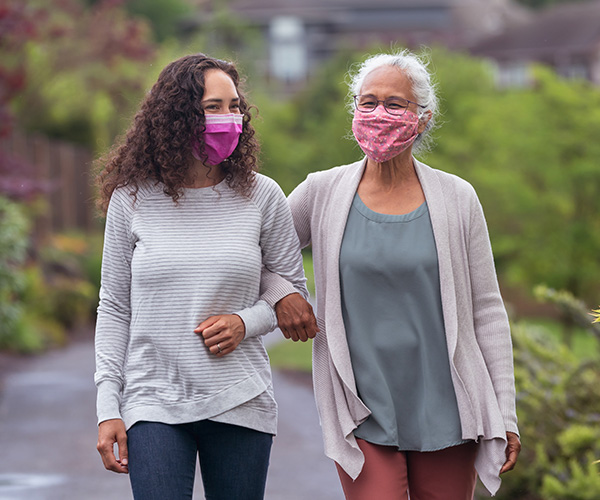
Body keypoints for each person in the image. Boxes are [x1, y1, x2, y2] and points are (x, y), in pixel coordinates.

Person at [268, 50, 521, 499]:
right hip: (362, 407)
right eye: (368, 102)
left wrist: (504, 414)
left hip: (448, 407)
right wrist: (283, 294)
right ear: (353, 112)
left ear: (422, 119)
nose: (379, 114)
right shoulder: (322, 192)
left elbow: (488, 311)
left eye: (395, 104)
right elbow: (262, 253)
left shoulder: (458, 198)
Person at [93, 53, 313, 500]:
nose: (229, 117)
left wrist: (244, 322)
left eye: (235, 107)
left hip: (240, 398)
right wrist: (106, 407)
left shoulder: (262, 194)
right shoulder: (132, 198)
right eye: (213, 107)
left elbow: (292, 296)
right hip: (152, 400)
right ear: (177, 114)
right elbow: (115, 307)